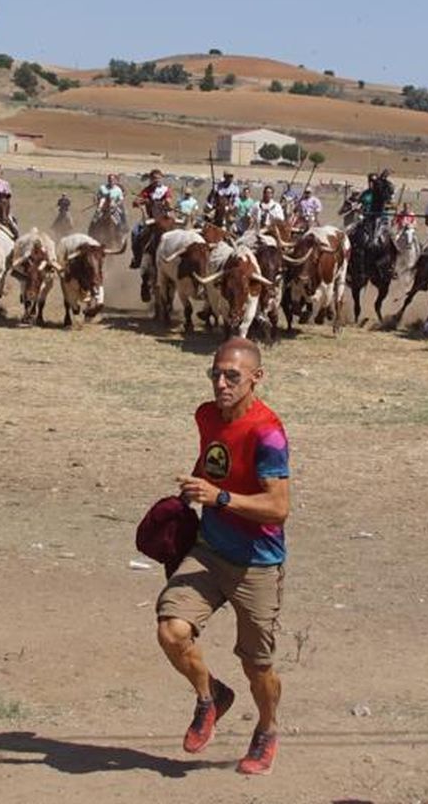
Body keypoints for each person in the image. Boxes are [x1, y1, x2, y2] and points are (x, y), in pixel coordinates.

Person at [156, 338, 290, 777]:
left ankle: (268, 730)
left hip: (257, 561)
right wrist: (191, 492)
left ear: (256, 377)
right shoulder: (206, 415)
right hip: (210, 552)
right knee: (172, 631)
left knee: (257, 665)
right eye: (216, 373)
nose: (221, 382)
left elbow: (277, 508)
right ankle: (211, 695)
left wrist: (221, 496)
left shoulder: (268, 432)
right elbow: (213, 463)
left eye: (233, 376)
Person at [129, 170, 173, 269]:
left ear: (161, 178)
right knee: (135, 232)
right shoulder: (147, 190)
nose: (157, 180)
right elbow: (135, 202)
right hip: (151, 218)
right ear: (151, 179)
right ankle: (137, 258)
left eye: (158, 178)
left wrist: (166, 202)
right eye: (154, 178)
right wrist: (142, 201)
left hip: (164, 217)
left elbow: (169, 201)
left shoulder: (166, 190)